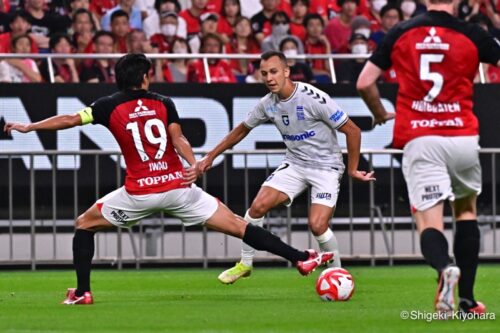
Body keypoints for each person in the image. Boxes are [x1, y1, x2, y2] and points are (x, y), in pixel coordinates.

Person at [3, 53, 334, 305]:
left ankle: (83, 292)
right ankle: (302, 258)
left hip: (139, 194)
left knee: (83, 224)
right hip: (180, 188)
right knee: (238, 224)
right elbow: (179, 140)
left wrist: (29, 127)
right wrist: (194, 166)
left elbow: (70, 119)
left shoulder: (106, 106)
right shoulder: (163, 103)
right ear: (146, 78)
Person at [356, 0, 500, 317]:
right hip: (462, 135)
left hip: (421, 138)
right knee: (466, 213)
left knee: (428, 220)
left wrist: (379, 113)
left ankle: (445, 266)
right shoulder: (473, 32)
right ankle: (467, 301)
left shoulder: (402, 31)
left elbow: (365, 82)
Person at [198, 50, 375, 285]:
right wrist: (211, 156)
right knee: (257, 207)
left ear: (286, 72)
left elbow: (352, 130)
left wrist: (352, 169)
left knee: (318, 225)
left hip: (326, 167)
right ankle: (246, 264)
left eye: (273, 72)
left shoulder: (312, 98)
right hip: (295, 164)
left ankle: (338, 276)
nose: (269, 78)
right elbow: (241, 129)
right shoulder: (267, 104)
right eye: (264, 74)